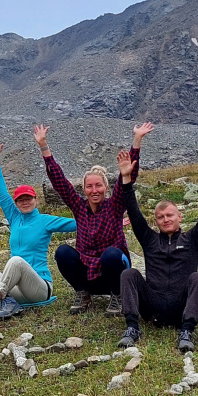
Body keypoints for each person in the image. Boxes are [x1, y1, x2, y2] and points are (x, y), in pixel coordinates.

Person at [114, 147, 198, 352]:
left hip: (182, 307)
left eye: (170, 215)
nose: (166, 220)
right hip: (152, 307)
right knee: (129, 273)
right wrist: (126, 179)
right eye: (160, 217)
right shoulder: (149, 239)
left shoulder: (193, 239)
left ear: (179, 217)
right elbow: (134, 213)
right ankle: (132, 328)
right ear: (156, 221)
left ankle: (187, 331)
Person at [40, 122, 150, 315]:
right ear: (84, 189)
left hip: (114, 273)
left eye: (98, 185)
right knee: (63, 252)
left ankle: (118, 296)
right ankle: (83, 294)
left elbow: (128, 176)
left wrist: (137, 140)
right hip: (89, 274)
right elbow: (59, 182)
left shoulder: (115, 205)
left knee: (111, 254)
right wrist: (43, 146)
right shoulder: (78, 207)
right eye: (89, 186)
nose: (94, 190)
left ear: (106, 188)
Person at [0, 136, 78, 323]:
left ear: (36, 200)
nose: (25, 202)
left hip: (39, 288)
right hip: (16, 288)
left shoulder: (45, 220)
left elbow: (79, 223)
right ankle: (9, 301)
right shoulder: (14, 217)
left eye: (28, 198)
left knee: (16, 261)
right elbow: (2, 193)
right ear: (16, 203)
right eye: (20, 200)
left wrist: (110, 218)